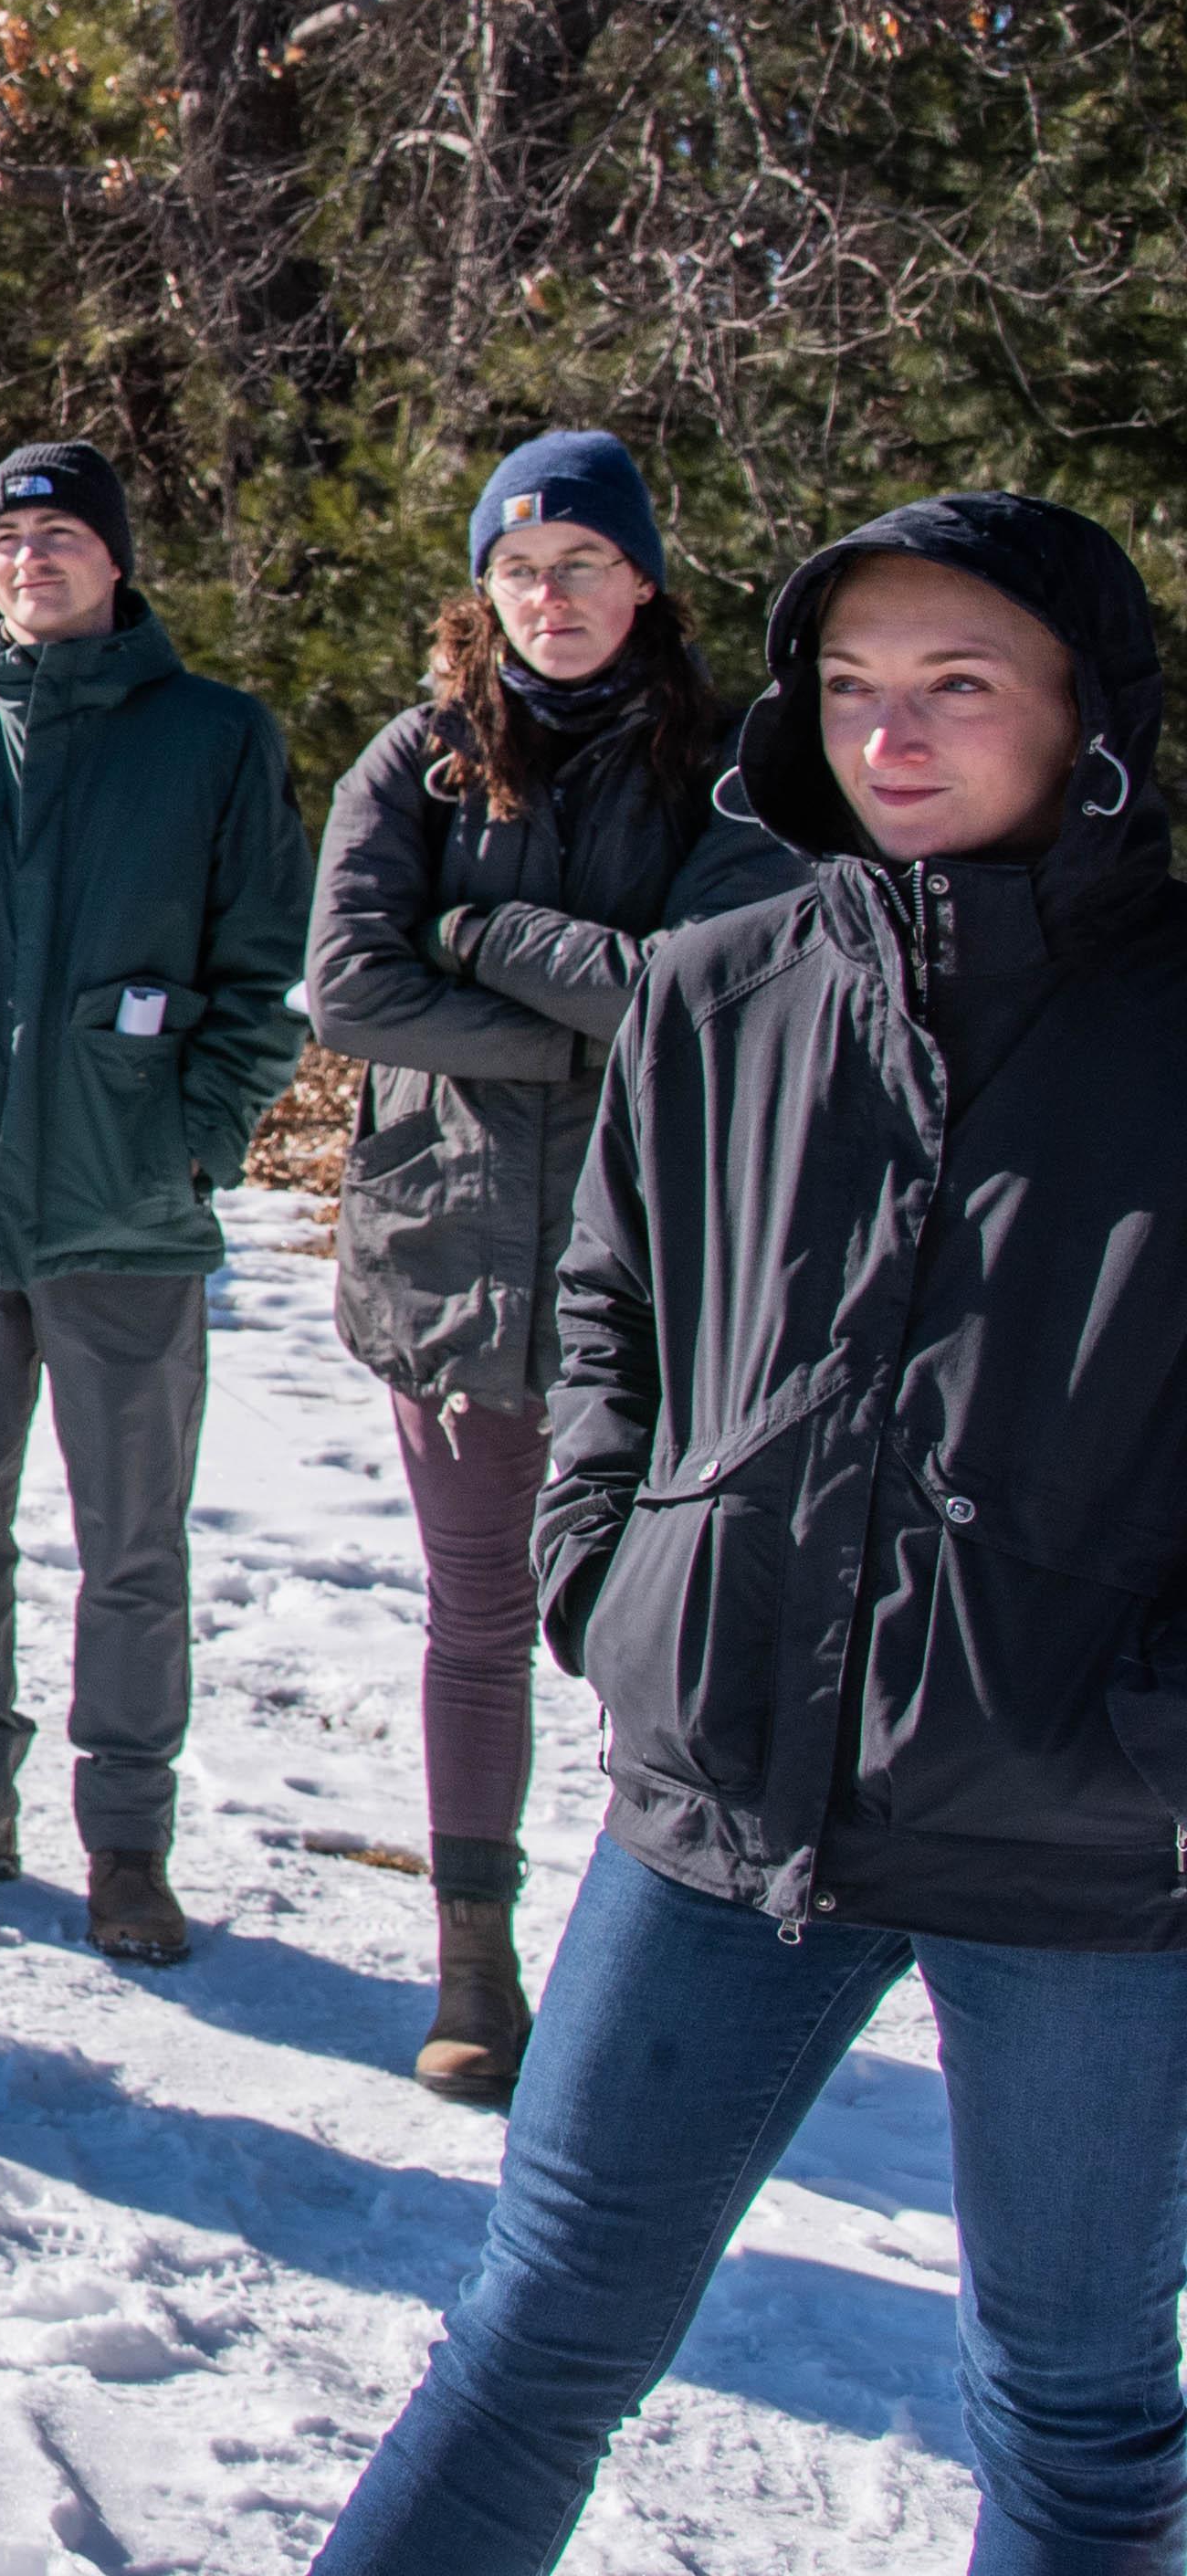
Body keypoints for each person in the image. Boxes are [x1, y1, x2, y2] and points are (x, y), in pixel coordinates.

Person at [314, 491, 1187, 2574]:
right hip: (715, 1792)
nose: (891, 732)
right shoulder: (723, 987)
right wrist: (618, 1579)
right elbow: (606, 1308)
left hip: (1082, 1838)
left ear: (1086, 716)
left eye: (955, 685)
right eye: (855, 687)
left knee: (1072, 2416)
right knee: (533, 2334)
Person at [303, 431, 793, 2102]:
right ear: (483, 590)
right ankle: (475, 1965)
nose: (551, 596)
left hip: (666, 1269)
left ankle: (654, 1973)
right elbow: (351, 995)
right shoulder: (423, 762)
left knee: (665, 1633)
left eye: (583, 564)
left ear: (643, 579)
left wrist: (489, 936)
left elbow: (717, 995)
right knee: (476, 1619)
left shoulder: (733, 771)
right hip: (446, 1260)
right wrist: (584, 1027)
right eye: (520, 570)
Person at [0, 440, 308, 1967]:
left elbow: (260, 973)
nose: (33, 557)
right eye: (9, 536)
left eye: (63, 533)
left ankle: (128, 1845)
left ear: (116, 558)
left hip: (126, 1215)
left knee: (132, 1548)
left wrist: (194, 1142)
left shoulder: (214, 739)